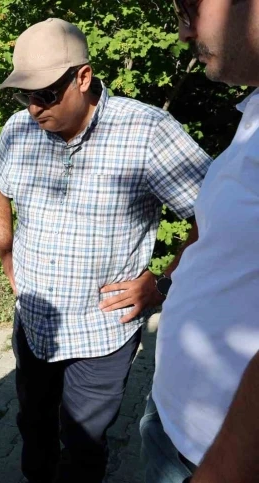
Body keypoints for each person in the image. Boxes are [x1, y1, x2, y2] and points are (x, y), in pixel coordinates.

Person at [0, 18, 213, 483]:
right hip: (35, 323)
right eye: (24, 96)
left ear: (83, 77)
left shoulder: (146, 131)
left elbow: (214, 213)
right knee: (33, 425)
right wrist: (7, 255)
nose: (33, 108)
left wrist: (163, 283)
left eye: (45, 94)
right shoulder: (19, 130)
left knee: (84, 445)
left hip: (101, 333)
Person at [141, 1, 259, 482]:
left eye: (190, 8)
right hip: (174, 422)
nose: (183, 32)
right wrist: (168, 283)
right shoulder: (252, 110)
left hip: (210, 458)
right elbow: (214, 230)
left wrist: (221, 470)